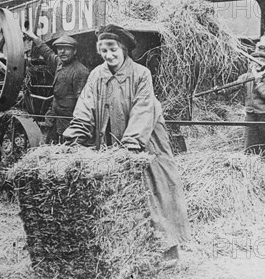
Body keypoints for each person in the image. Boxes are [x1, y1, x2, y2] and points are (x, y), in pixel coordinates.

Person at [63, 24, 191, 262]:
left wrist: (130, 147)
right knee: (119, 198)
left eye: (112, 49)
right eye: (103, 51)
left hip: (146, 143)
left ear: (123, 49)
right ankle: (127, 252)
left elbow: (144, 109)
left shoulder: (141, 75)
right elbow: (85, 107)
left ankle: (167, 252)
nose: (108, 56)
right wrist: (75, 135)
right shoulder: (96, 75)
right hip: (111, 142)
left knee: (156, 192)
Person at [24, 30, 90, 143]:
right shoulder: (60, 63)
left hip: (69, 121)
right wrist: (35, 38)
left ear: (74, 51)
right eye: (59, 48)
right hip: (54, 116)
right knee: (50, 144)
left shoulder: (80, 71)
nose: (62, 52)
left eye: (67, 49)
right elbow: (47, 53)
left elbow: (82, 102)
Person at [227, 43, 265, 155]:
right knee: (250, 146)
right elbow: (233, 85)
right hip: (251, 115)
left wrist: (259, 82)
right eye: (255, 60)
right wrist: (221, 90)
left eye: (261, 60)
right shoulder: (247, 76)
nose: (257, 63)